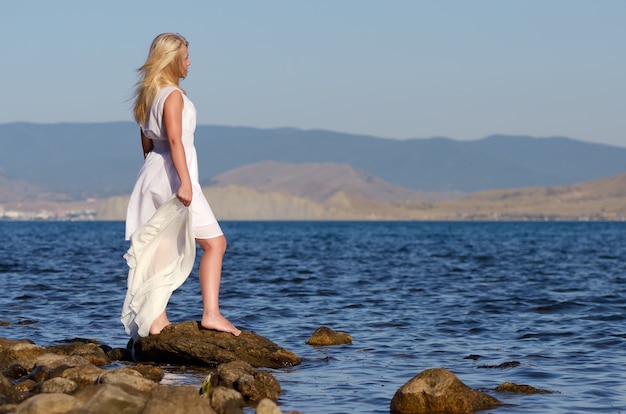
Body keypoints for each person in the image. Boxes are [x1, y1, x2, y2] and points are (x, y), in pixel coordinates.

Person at [122, 32, 240, 339]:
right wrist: (186, 183)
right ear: (173, 61)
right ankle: (211, 314)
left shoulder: (149, 93)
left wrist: (154, 168)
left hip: (153, 173)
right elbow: (174, 139)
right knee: (215, 244)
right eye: (186, 57)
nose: (189, 62)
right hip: (175, 176)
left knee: (159, 246)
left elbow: (147, 141)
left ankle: (156, 319)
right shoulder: (172, 95)